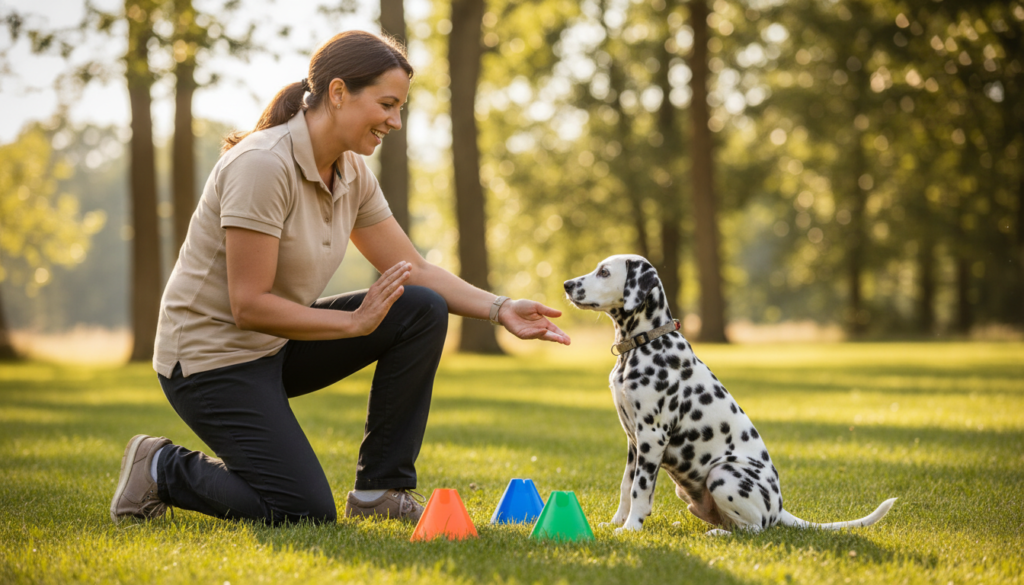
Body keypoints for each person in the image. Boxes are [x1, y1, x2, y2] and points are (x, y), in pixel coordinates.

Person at [109, 30, 570, 526]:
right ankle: (160, 467)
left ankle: (380, 490)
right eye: (387, 105)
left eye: (400, 109)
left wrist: (501, 309)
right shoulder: (262, 165)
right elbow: (249, 305)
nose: (395, 121)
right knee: (301, 511)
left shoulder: (350, 171)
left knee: (419, 306)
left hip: (273, 347)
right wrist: (354, 325)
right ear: (337, 93)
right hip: (210, 363)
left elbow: (412, 269)